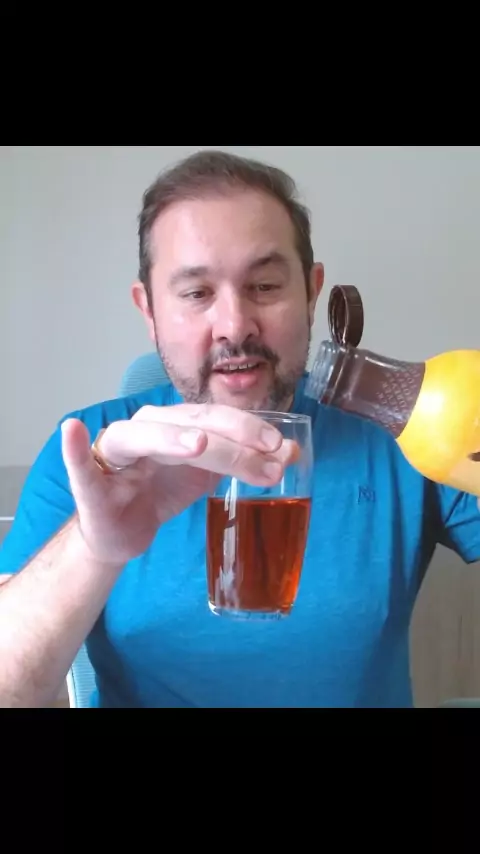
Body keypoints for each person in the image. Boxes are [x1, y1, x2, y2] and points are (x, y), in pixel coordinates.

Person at [0, 150, 479, 709]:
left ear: (311, 293)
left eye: (265, 286)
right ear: (149, 310)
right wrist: (90, 546)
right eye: (196, 293)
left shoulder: (407, 437)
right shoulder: (90, 450)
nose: (234, 326)